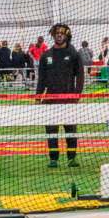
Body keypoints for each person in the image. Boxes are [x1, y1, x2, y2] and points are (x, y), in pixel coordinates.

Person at [36, 23, 85, 168]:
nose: (59, 35)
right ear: (53, 35)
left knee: (70, 129)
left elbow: (80, 76)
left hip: (68, 100)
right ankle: (53, 159)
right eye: (56, 33)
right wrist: (38, 97)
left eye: (62, 33)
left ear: (66, 35)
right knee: (51, 130)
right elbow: (41, 79)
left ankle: (71, 158)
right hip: (50, 100)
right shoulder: (46, 55)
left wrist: (76, 95)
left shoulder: (74, 54)